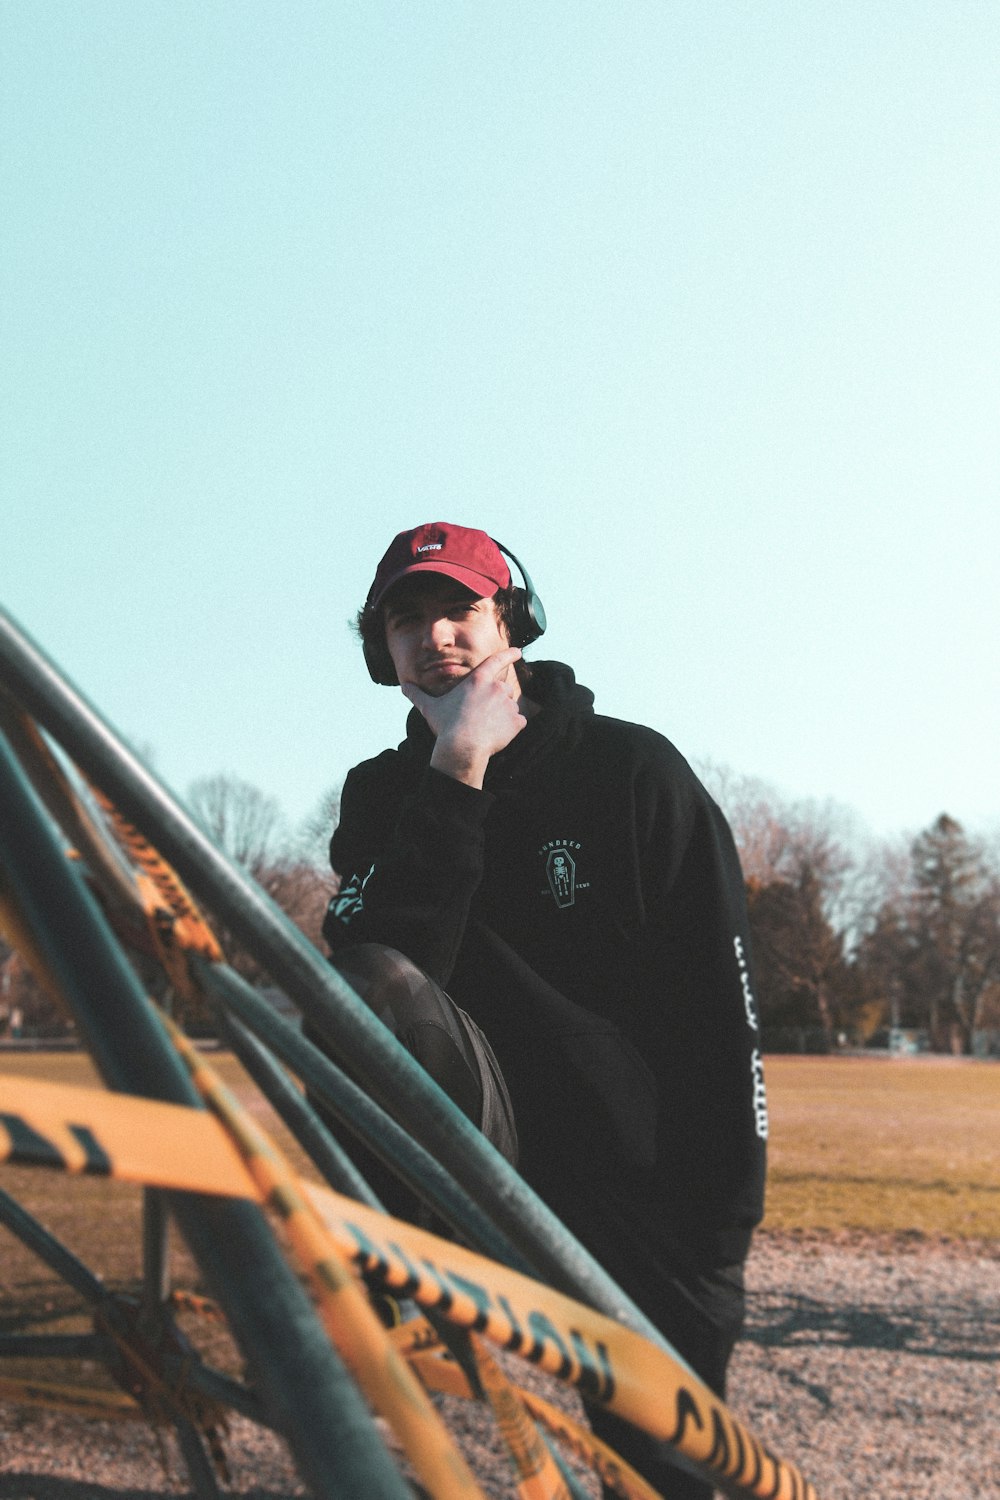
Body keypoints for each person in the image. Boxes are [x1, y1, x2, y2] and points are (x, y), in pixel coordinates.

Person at [318, 520, 768, 1499]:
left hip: (631, 1182)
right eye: (406, 619)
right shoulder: (378, 797)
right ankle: (386, 1276)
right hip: (473, 1157)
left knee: (665, 1477)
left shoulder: (634, 772)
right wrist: (457, 775)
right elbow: (389, 977)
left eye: (458, 610)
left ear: (511, 623)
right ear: (380, 651)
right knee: (363, 989)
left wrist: (716, 1232)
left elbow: (718, 1023)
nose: (434, 636)